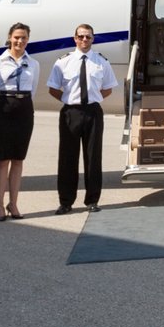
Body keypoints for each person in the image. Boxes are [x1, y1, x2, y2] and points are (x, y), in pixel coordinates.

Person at [47, 23, 116, 214]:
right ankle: (66, 202)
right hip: (71, 113)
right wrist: (69, 101)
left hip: (93, 112)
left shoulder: (101, 62)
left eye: (88, 37)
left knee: (93, 157)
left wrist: (95, 99)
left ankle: (92, 200)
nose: (84, 40)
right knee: (68, 158)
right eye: (81, 36)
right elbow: (53, 88)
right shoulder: (63, 62)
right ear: (75, 38)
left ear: (93, 39)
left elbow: (109, 87)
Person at [0, 22, 38, 221]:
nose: (20, 41)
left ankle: (13, 203)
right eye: (16, 37)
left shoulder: (33, 64)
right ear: (10, 37)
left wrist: (19, 103)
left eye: (23, 37)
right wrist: (3, 107)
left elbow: (32, 89)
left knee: (18, 159)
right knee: (3, 159)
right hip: (4, 109)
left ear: (28, 40)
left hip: (24, 109)